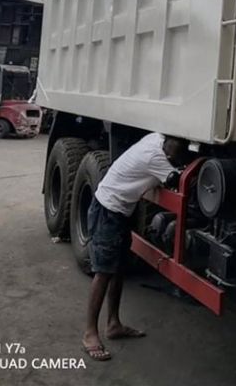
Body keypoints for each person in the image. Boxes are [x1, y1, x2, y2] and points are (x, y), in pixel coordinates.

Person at [81, 132, 189, 361]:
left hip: (121, 210)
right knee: (103, 272)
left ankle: (113, 324)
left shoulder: (156, 137)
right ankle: (90, 333)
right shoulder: (156, 157)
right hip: (108, 211)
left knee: (118, 269)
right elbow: (176, 180)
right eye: (173, 158)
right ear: (167, 153)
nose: (173, 161)